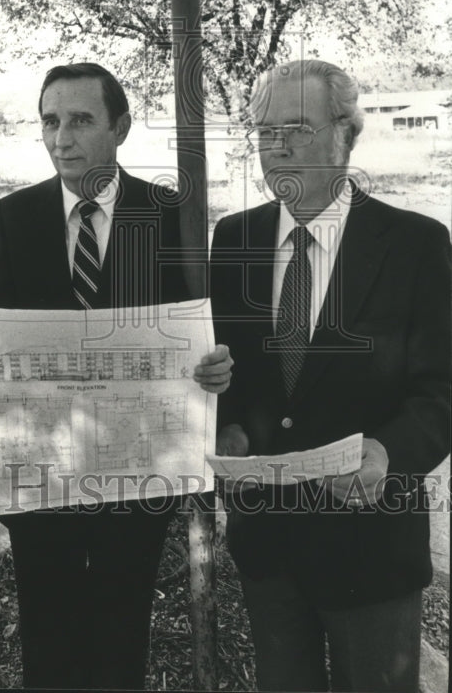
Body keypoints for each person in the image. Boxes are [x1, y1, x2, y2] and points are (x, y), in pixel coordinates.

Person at [0, 62, 232, 690]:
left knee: (120, 634)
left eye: (80, 120)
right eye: (50, 121)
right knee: (47, 638)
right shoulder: (15, 217)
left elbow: (195, 329)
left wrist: (213, 366)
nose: (61, 138)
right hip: (40, 475)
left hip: (135, 477)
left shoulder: (169, 216)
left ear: (120, 127)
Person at [209, 60, 451, 693]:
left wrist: (389, 453)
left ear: (348, 133)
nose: (277, 147)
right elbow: (225, 376)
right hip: (268, 547)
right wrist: (226, 424)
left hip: (369, 552)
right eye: (265, 132)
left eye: (297, 128)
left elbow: (442, 391)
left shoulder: (417, 245)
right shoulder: (232, 240)